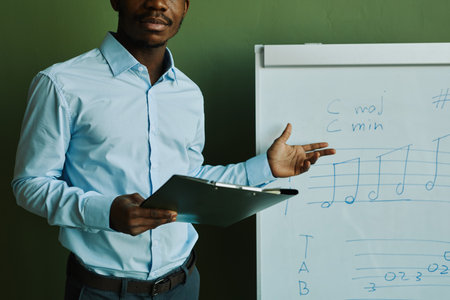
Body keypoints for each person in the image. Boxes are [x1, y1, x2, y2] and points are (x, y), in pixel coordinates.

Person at [12, 0, 336, 299]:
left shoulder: (189, 94)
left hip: (183, 284)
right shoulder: (61, 83)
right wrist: (106, 213)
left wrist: (265, 168)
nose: (157, 3)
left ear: (185, 6)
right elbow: (30, 184)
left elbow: (190, 177)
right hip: (103, 291)